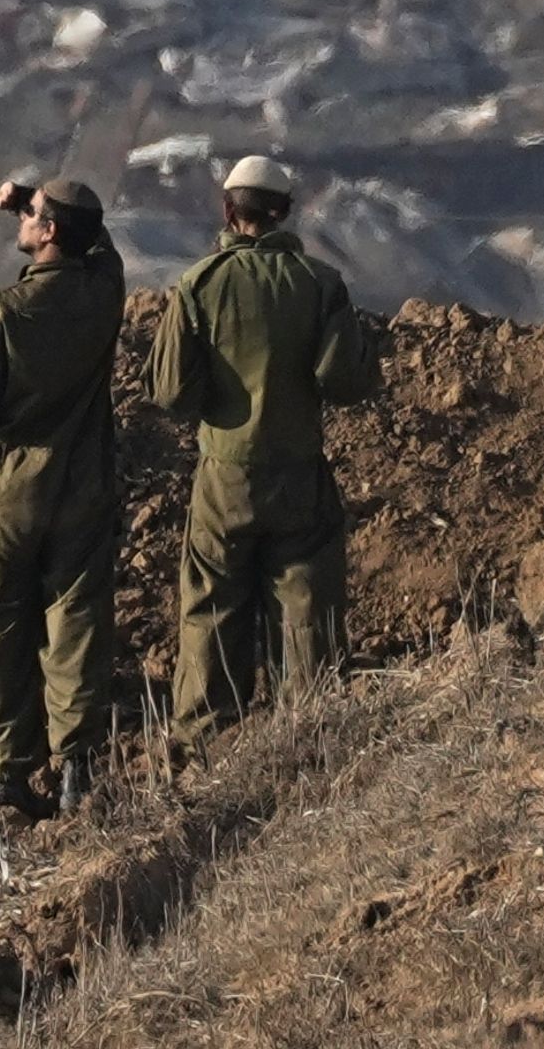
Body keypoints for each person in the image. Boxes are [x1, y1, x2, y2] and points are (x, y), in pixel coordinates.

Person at [148, 152, 381, 749]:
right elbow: (345, 382)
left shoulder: (199, 284)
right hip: (299, 468)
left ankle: (205, 743)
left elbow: (171, 390)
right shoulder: (321, 284)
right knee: (305, 601)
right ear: (285, 214)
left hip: (225, 474)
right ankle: (309, 736)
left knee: (212, 604)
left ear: (230, 211)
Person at [0, 175, 126, 818]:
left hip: (11, 489)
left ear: (46, 233)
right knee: (75, 618)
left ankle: (4, 778)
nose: (23, 220)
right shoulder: (103, 294)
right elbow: (102, 249)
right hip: (86, 483)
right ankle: (75, 769)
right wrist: (36, 202)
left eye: (33, 215)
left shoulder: (2, 312)